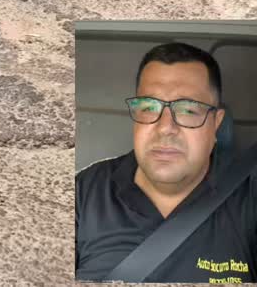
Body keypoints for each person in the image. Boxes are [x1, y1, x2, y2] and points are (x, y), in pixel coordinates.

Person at [75, 42, 257, 283]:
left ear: (216, 123)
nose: (165, 128)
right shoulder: (84, 192)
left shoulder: (248, 196)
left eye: (188, 110)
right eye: (149, 107)